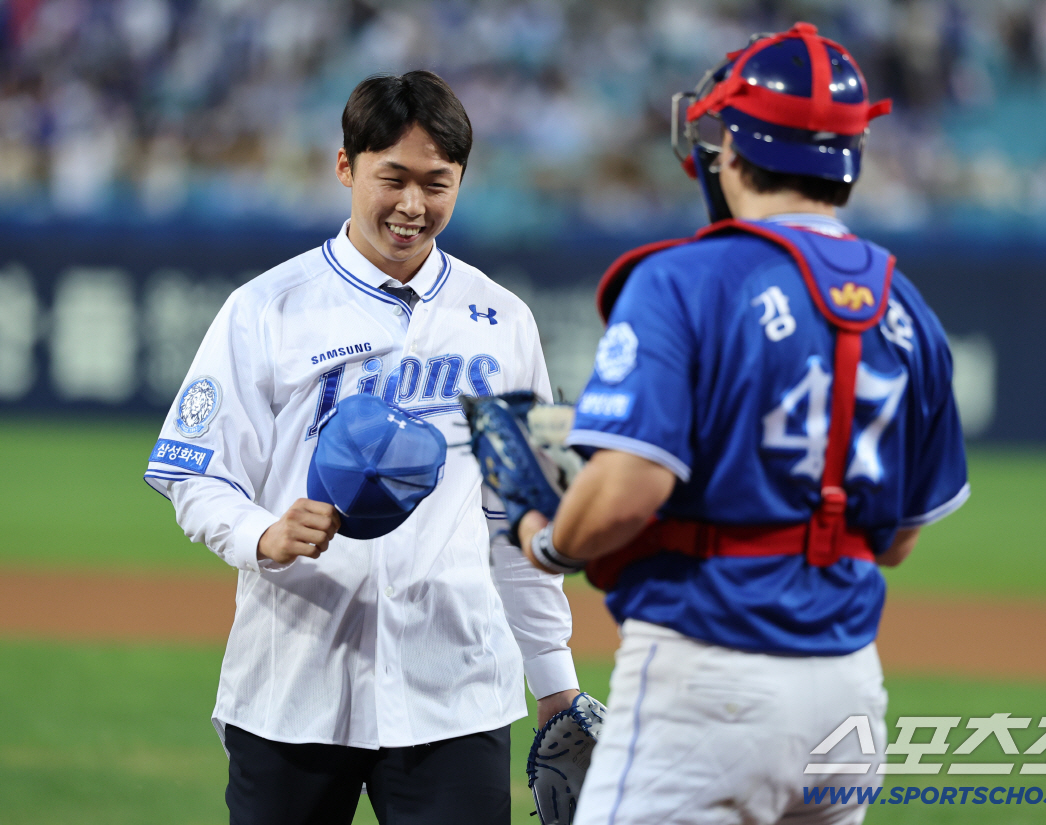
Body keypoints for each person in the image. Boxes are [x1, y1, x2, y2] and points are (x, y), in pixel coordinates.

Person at [513, 23, 969, 825]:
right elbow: (896, 538)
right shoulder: (907, 306)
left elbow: (625, 490)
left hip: (708, 680)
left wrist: (549, 540)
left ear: (729, 149)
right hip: (850, 692)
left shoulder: (684, 278)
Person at [143, 71, 580, 825]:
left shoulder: (502, 321)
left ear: (461, 182)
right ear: (345, 167)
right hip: (294, 688)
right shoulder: (265, 310)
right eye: (394, 178)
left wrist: (556, 682)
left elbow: (524, 514)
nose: (414, 205)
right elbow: (196, 473)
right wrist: (263, 533)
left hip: (456, 691)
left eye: (437, 183)